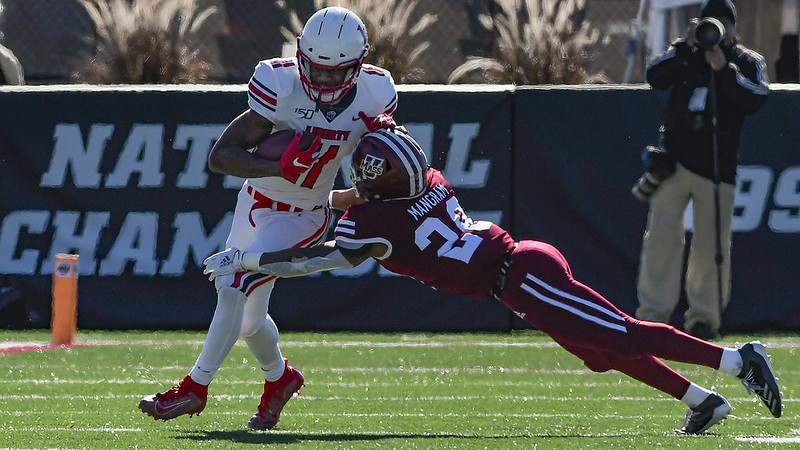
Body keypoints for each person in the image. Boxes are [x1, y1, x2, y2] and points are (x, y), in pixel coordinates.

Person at [203, 128, 783, 435]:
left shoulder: (374, 220)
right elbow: (372, 191)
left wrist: (251, 262)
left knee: (624, 335)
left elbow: (323, 260)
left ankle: (738, 361)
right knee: (603, 354)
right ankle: (702, 402)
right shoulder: (424, 178)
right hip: (520, 269)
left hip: (521, 276)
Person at [138, 6, 398, 430]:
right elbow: (221, 157)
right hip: (255, 202)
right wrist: (280, 167)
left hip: (305, 215)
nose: (325, 81)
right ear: (300, 56)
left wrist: (364, 191)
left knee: (236, 281)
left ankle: (194, 388)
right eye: (316, 70)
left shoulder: (374, 94)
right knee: (247, 320)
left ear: (358, 65)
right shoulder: (279, 84)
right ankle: (280, 379)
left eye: (336, 73)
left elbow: (382, 158)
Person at [635, 0, 769, 340]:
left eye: (724, 24)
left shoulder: (745, 61)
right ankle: (653, 316)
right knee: (662, 240)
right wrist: (685, 45)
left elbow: (755, 97)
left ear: (734, 28)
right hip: (674, 164)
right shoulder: (686, 54)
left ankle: (704, 319)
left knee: (711, 246)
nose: (717, 31)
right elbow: (654, 75)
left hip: (717, 169)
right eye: (712, 23)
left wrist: (723, 69)